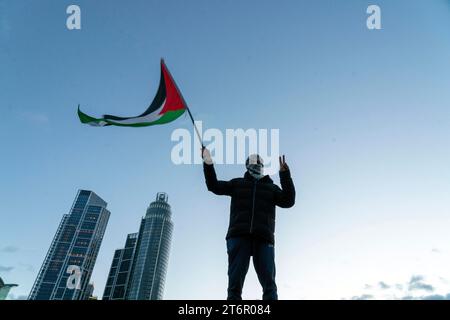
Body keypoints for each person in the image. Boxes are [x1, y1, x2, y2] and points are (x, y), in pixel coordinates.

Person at [202, 148, 296, 300]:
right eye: (253, 162)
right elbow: (213, 185)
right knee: (234, 287)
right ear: (247, 165)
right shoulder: (237, 184)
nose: (257, 164)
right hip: (239, 237)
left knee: (269, 286)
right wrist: (207, 161)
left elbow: (289, 201)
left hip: (264, 239)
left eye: (259, 162)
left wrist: (285, 175)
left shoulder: (271, 188)